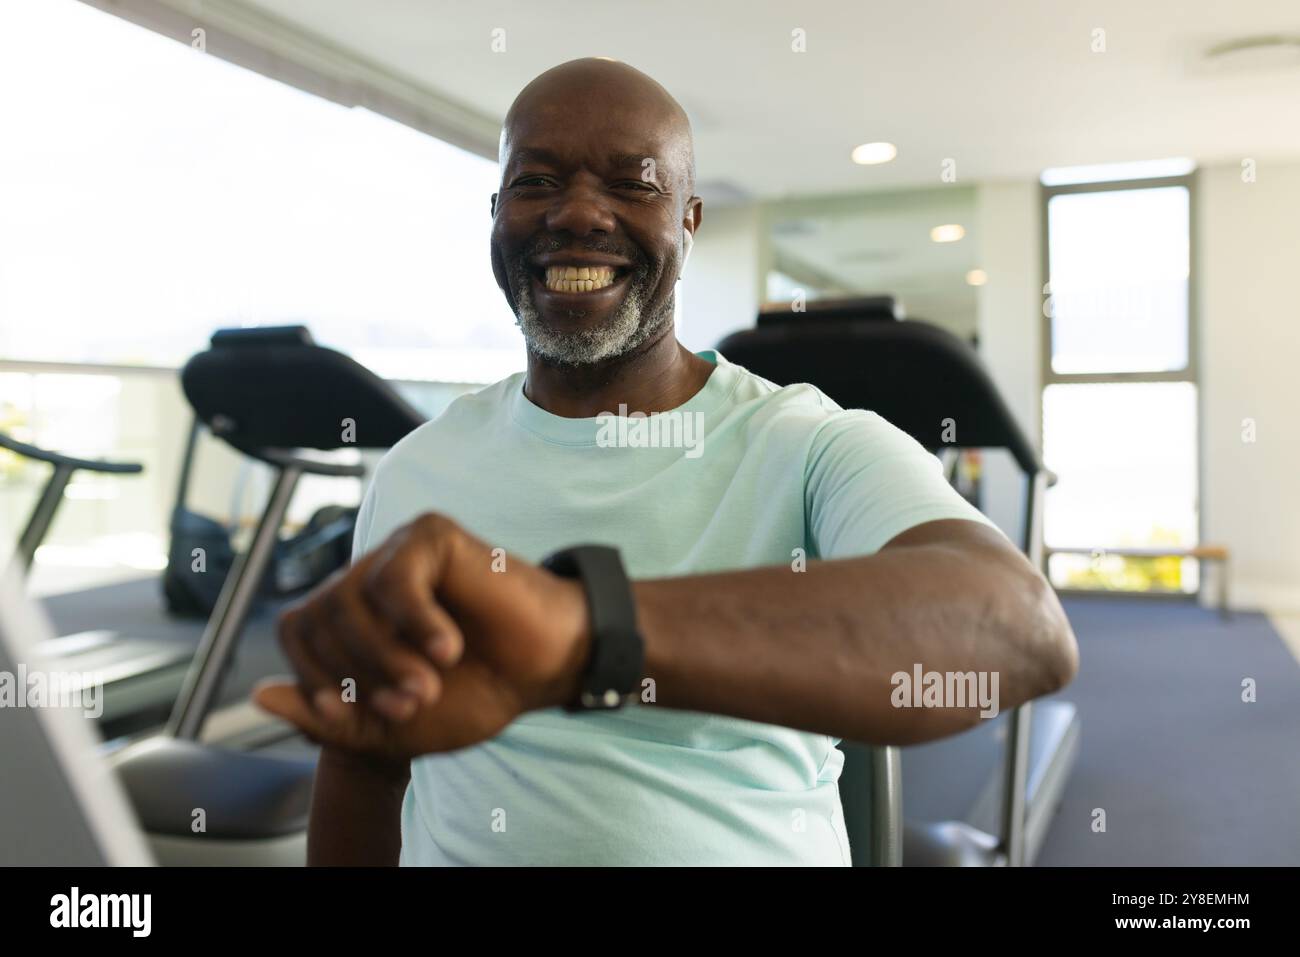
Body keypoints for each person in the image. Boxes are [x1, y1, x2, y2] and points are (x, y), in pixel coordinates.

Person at [255, 57, 1078, 866]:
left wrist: (582, 633)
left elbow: (1019, 630)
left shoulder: (808, 441)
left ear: (688, 221)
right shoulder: (416, 469)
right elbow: (365, 760)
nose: (578, 213)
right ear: (497, 211)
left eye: (632, 184)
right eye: (537, 182)